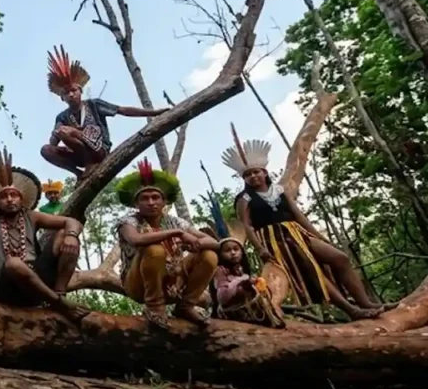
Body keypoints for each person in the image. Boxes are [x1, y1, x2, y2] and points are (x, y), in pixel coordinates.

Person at [223, 128, 382, 319]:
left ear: (264, 172)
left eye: (256, 172)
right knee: (312, 271)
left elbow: (299, 215)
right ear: (244, 179)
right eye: (248, 175)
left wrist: (318, 235)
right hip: (275, 240)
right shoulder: (244, 198)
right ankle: (352, 310)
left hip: (296, 232)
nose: (253, 176)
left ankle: (366, 302)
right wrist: (260, 248)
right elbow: (247, 225)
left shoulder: (279, 191)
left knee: (340, 258)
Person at [0, 149, 89, 324]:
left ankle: (59, 293)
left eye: (14, 195)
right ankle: (59, 304)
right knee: (14, 262)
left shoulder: (31, 216)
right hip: (6, 287)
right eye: (4, 197)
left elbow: (73, 222)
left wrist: (71, 235)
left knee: (64, 234)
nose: (10, 199)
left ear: (21, 199)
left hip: (37, 281)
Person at [115, 159, 218, 329]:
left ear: (164, 202)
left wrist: (193, 243)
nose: (151, 202)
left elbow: (213, 243)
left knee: (209, 255)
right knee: (154, 249)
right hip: (139, 285)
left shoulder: (175, 221)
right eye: (145, 198)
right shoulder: (128, 221)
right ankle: (155, 308)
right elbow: (136, 240)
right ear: (136, 203)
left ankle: (186, 306)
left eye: (155, 197)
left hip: (174, 282)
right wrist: (177, 233)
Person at [40, 46, 167, 180]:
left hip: (99, 150)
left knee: (70, 131)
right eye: (66, 92)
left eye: (73, 90)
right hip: (79, 155)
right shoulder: (62, 117)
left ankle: (91, 163)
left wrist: (154, 113)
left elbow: (123, 110)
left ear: (80, 91)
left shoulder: (94, 105)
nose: (71, 94)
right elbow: (53, 143)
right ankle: (78, 173)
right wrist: (57, 134)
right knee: (46, 149)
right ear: (62, 97)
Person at [202, 192, 284, 327]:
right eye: (227, 251)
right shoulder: (219, 271)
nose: (233, 253)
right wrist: (242, 284)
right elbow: (222, 296)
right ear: (220, 255)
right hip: (230, 310)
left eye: (236, 249)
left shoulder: (242, 269)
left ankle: (271, 316)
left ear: (242, 252)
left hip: (247, 305)